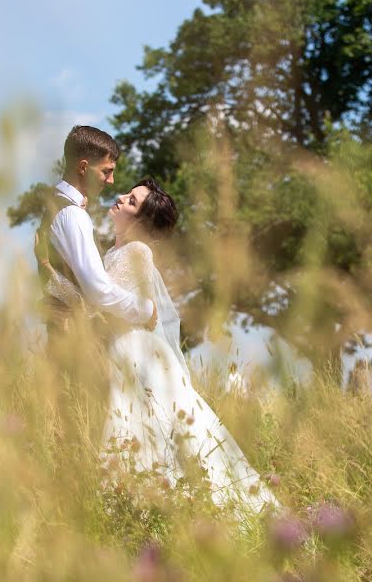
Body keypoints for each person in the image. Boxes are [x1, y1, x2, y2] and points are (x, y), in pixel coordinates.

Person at [100, 177, 279, 515]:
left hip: (138, 353)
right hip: (124, 350)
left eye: (132, 202)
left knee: (153, 428)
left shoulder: (138, 252)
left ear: (139, 222)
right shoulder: (114, 252)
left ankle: (168, 506)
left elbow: (106, 301)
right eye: (128, 196)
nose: (121, 198)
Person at [33, 125, 157, 336]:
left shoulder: (57, 205)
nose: (111, 181)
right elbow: (97, 289)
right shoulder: (73, 214)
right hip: (75, 339)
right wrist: (146, 310)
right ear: (83, 167)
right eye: (106, 171)